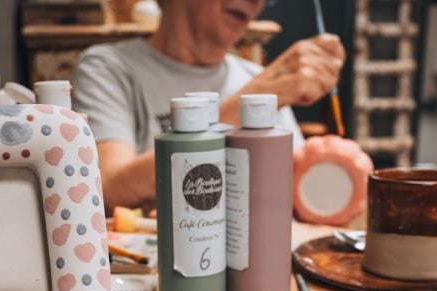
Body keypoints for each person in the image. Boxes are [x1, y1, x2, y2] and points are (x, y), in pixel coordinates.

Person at [72, 0, 345, 214]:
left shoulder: (257, 78)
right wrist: (253, 100)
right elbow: (108, 191)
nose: (255, 2)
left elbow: (298, 195)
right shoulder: (108, 68)